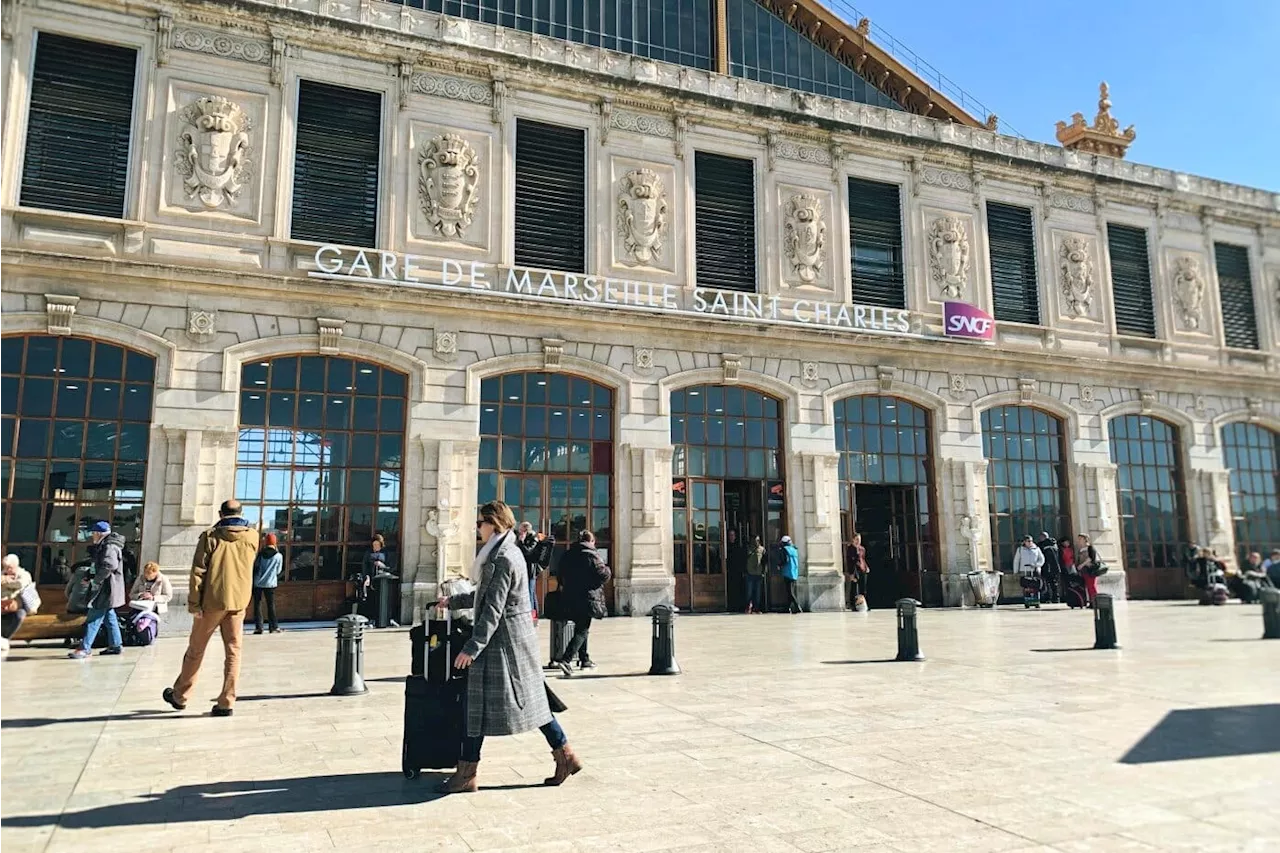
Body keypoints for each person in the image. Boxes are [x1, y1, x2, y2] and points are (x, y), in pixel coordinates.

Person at [436, 500, 581, 794]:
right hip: (512, 643)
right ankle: (565, 756)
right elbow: (485, 595)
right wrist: (454, 601)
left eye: (481, 523)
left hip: (502, 647)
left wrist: (472, 647)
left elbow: (493, 608)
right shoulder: (506, 551)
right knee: (531, 705)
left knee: (478, 708)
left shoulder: (502, 557)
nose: (478, 527)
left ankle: (467, 773)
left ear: (495, 524)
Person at [162, 499, 259, 717]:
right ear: (241, 512)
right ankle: (227, 702)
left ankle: (181, 696)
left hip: (211, 602)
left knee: (196, 650)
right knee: (234, 652)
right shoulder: (252, 536)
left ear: (220, 513)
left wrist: (194, 603)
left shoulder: (211, 537)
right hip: (238, 601)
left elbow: (198, 572)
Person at [551, 529, 611, 675]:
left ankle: (585, 659)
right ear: (591, 541)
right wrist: (607, 569)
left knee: (581, 627)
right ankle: (566, 659)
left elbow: (560, 574)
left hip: (570, 596)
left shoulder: (568, 554)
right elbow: (603, 575)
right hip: (587, 597)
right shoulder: (592, 555)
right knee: (582, 629)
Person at [69, 521, 126, 660]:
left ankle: (85, 648)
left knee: (94, 617)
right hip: (108, 588)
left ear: (98, 533)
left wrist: (97, 580)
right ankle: (116, 645)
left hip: (106, 589)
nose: (92, 536)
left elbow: (109, 565)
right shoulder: (107, 545)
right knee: (109, 616)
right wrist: (89, 576)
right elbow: (98, 564)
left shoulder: (109, 546)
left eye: (93, 533)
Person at [1, 554, 38, 661]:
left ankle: (5, 638)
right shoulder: (2, 574)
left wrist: (7, 581)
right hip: (2, 605)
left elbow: (20, 584)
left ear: (16, 566)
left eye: (10, 567)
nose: (7, 570)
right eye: (5, 567)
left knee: (20, 615)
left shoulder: (24, 574)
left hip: (16, 607)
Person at [515, 522, 551, 618]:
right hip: (525, 569)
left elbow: (527, 552)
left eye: (521, 530)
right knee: (532, 591)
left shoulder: (533, 539)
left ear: (525, 530)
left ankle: (530, 614)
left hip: (530, 570)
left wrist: (521, 542)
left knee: (529, 592)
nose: (519, 532)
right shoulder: (526, 538)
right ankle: (535, 613)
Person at [251, 533, 283, 634]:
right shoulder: (278, 556)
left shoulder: (260, 554)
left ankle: (259, 627)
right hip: (271, 583)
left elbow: (255, 567)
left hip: (258, 583)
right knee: (271, 605)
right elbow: (278, 571)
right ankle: (273, 627)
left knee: (257, 604)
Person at [844, 533, 868, 611]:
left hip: (862, 569)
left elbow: (863, 559)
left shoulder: (862, 549)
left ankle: (863, 604)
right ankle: (853, 605)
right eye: (857, 539)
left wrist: (866, 567)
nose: (858, 541)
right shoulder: (850, 549)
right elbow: (849, 562)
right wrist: (851, 574)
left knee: (863, 588)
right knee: (854, 588)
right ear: (853, 540)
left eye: (859, 539)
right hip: (854, 570)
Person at [1037, 533, 1063, 604]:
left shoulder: (1042, 545)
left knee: (1046, 583)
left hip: (1046, 566)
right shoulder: (1054, 544)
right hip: (1055, 567)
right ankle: (1056, 598)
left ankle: (1047, 598)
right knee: (1054, 583)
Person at [778, 535, 801, 614]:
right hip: (794, 573)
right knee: (789, 591)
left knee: (790, 592)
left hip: (787, 572)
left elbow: (784, 560)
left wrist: (779, 565)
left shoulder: (784, 550)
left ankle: (797, 606)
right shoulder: (794, 549)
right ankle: (787, 608)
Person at [1076, 534, 1101, 607]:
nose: (1079, 540)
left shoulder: (1090, 547)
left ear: (1085, 539)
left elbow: (1091, 558)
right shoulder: (1081, 549)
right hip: (1084, 570)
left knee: (1092, 586)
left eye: (1080, 539)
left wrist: (1082, 565)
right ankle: (1091, 601)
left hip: (1090, 569)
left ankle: (1095, 602)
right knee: (1088, 586)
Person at [745, 536, 766, 614]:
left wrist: (763, 572)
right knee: (749, 592)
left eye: (757, 540)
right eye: (754, 541)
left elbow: (764, 561)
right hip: (749, 573)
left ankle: (756, 608)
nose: (755, 542)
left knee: (758, 592)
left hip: (758, 574)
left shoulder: (762, 549)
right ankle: (748, 607)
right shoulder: (748, 549)